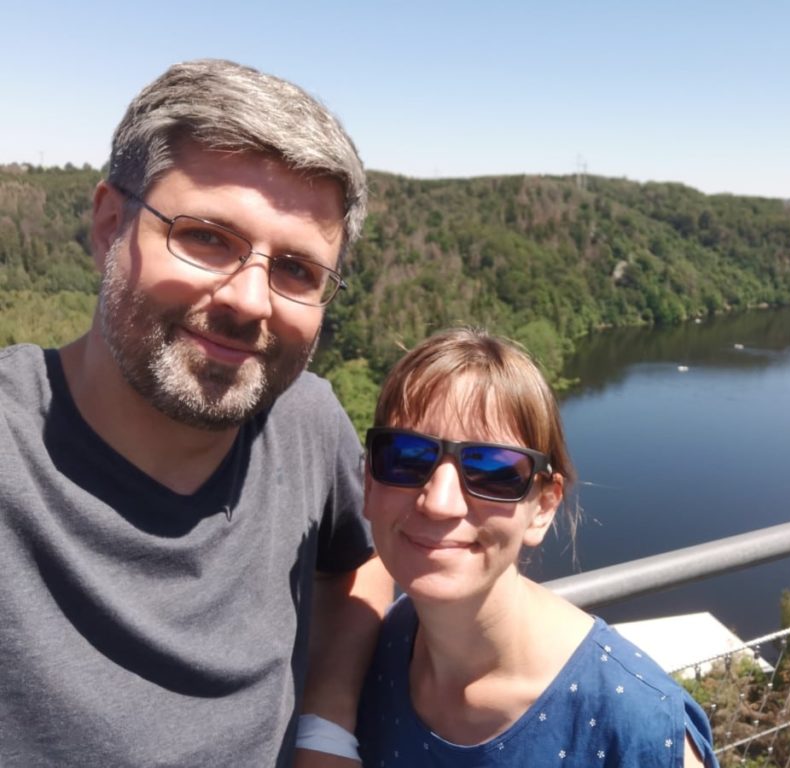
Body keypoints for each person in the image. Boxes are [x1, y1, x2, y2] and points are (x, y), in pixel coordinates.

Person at [0, 59, 392, 767]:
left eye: (297, 270)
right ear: (110, 226)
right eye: (207, 236)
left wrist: (326, 728)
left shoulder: (306, 420)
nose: (249, 299)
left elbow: (359, 565)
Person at [356, 328, 719, 767]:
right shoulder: (380, 651)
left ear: (543, 506)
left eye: (492, 470)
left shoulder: (632, 724)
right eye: (406, 457)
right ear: (369, 482)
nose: (438, 501)